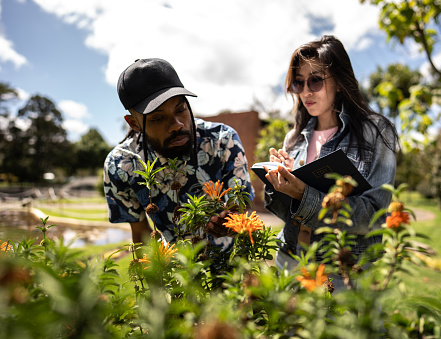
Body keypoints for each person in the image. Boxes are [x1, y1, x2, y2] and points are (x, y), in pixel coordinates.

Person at [263, 35, 398, 289]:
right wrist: (278, 182)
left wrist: (304, 192)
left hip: (343, 274)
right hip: (290, 262)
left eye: (315, 80)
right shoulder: (294, 136)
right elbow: (284, 212)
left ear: (339, 80)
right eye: (298, 84)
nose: (305, 92)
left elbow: (374, 216)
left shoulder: (376, 132)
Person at [103, 58, 254, 249]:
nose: (177, 125)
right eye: (158, 118)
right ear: (134, 123)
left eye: (180, 109)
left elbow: (242, 205)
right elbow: (141, 234)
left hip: (234, 268)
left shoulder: (223, 140)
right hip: (176, 272)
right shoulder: (120, 165)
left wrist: (233, 221)